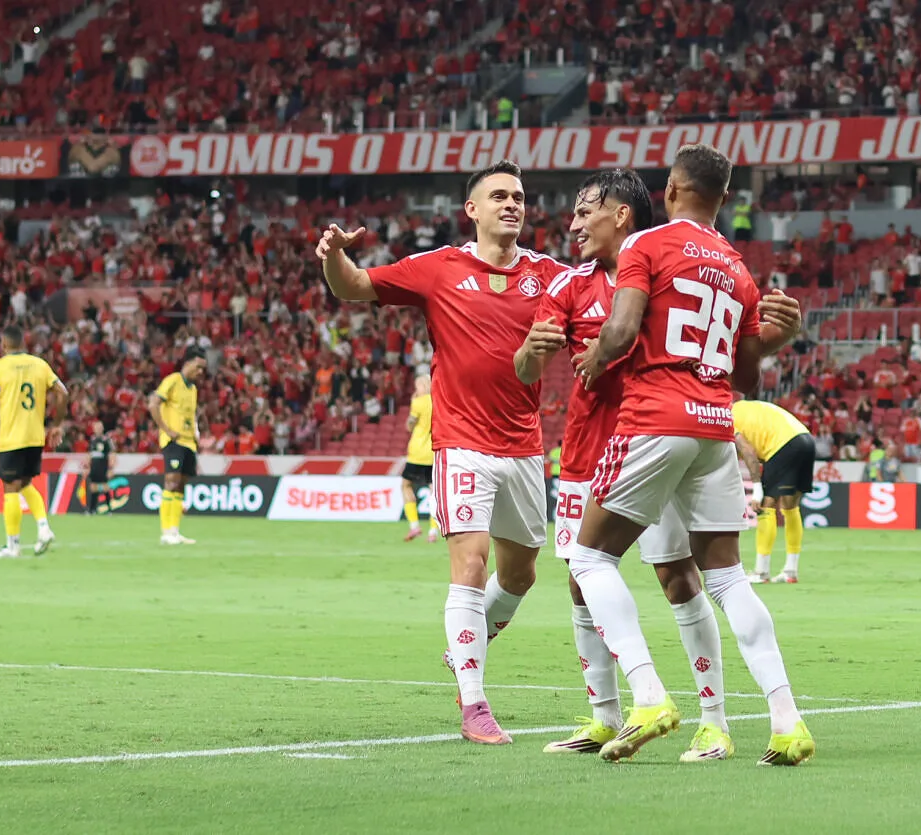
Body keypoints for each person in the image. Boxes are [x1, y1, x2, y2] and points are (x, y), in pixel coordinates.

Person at [517, 169, 798, 762]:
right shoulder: (728, 265)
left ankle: (689, 712)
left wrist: (602, 349)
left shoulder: (652, 249)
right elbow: (742, 372)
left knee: (645, 572)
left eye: (585, 212)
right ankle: (616, 716)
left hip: (648, 431)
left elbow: (621, 334)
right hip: (670, 434)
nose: (574, 224)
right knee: (687, 577)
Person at [317, 160, 570, 745]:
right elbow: (354, 286)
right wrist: (333, 254)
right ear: (472, 211)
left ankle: (468, 640)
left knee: (522, 574)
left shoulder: (550, 276)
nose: (513, 204)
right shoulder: (438, 269)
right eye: (500, 196)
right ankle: (474, 705)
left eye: (519, 197)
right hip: (461, 444)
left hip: (525, 446)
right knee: (470, 566)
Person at [0, 326, 66, 558]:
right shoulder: (40, 365)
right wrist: (56, 424)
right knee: (24, 483)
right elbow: (62, 393)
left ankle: (12, 546)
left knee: (10, 487)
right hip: (35, 436)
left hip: (12, 436)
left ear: (3, 345)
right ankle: (44, 528)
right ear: (23, 343)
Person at [731, 398, 814, 585]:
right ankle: (791, 571)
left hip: (782, 446)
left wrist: (757, 490)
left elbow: (750, 454)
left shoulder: (728, 418)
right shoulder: (747, 408)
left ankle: (762, 571)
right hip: (806, 440)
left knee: (765, 506)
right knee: (790, 507)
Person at [151, 346, 208, 546]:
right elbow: (153, 403)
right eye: (199, 367)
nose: (201, 372)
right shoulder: (173, 380)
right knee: (171, 482)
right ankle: (165, 532)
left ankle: (175, 531)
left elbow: (191, 416)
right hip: (174, 441)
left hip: (188, 442)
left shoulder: (192, 389)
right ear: (189, 362)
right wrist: (166, 429)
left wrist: (196, 434)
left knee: (181, 487)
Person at [402, 374, 439, 543]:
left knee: (406, 485)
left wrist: (413, 403)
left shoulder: (418, 402)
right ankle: (433, 531)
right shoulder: (439, 401)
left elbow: (409, 425)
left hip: (417, 452)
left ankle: (415, 526)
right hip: (433, 452)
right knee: (434, 492)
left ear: (423, 386)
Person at [85, 421, 116, 515]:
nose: (97, 429)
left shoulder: (106, 440)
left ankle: (109, 509)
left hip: (103, 467)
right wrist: (87, 467)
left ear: (102, 429)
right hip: (94, 467)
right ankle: (91, 510)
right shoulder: (92, 440)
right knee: (93, 487)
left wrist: (111, 468)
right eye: (96, 427)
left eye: (99, 427)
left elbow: (111, 454)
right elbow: (90, 454)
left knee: (105, 487)